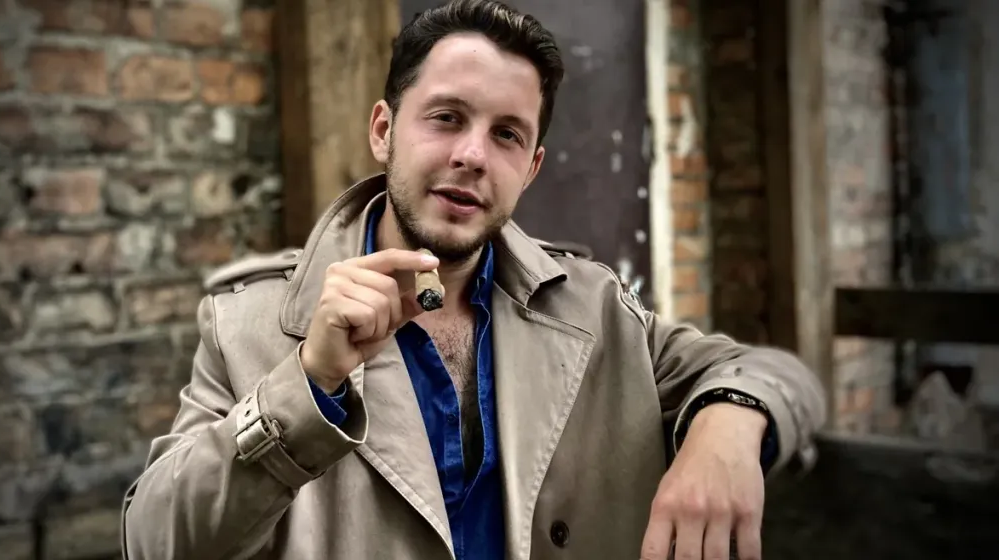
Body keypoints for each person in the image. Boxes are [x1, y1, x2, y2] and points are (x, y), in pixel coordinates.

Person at [120, 1, 827, 558]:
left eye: (506, 135)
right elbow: (154, 542)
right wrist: (306, 386)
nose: (471, 155)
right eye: (447, 118)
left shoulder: (594, 306)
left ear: (533, 166)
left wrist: (728, 432)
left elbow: (774, 375)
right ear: (382, 130)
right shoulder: (251, 321)